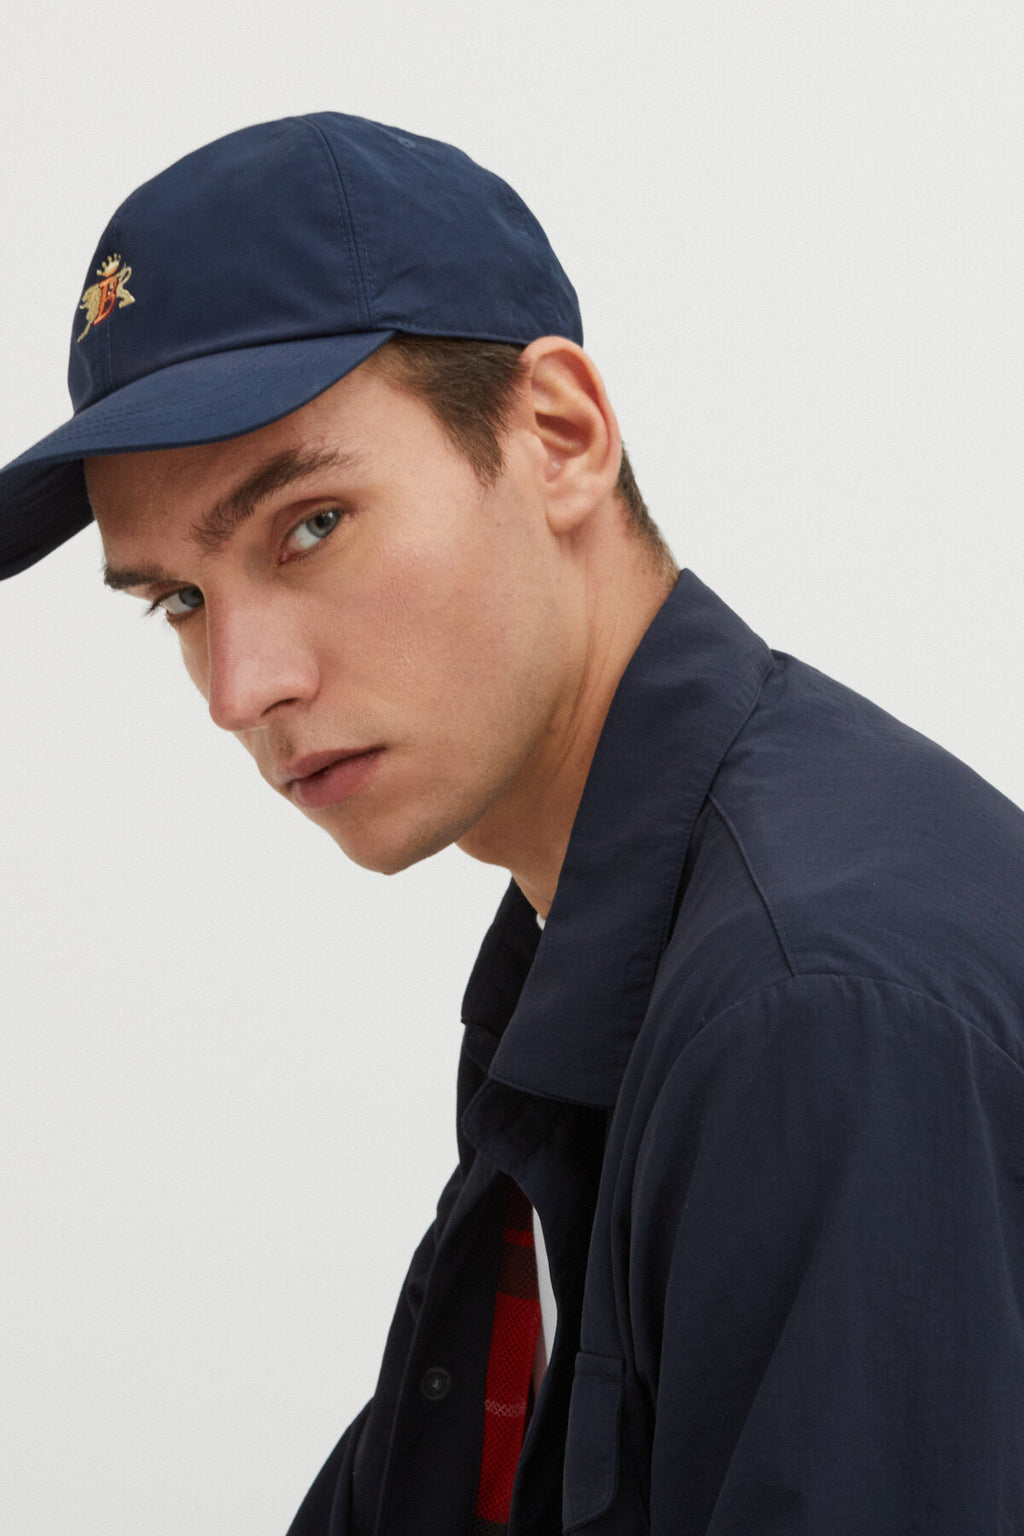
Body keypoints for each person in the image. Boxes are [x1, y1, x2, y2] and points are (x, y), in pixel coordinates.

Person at [3, 111, 1024, 1536]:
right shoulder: (611, 947)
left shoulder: (810, 1012)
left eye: (310, 526)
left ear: (559, 438)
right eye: (180, 599)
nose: (241, 689)